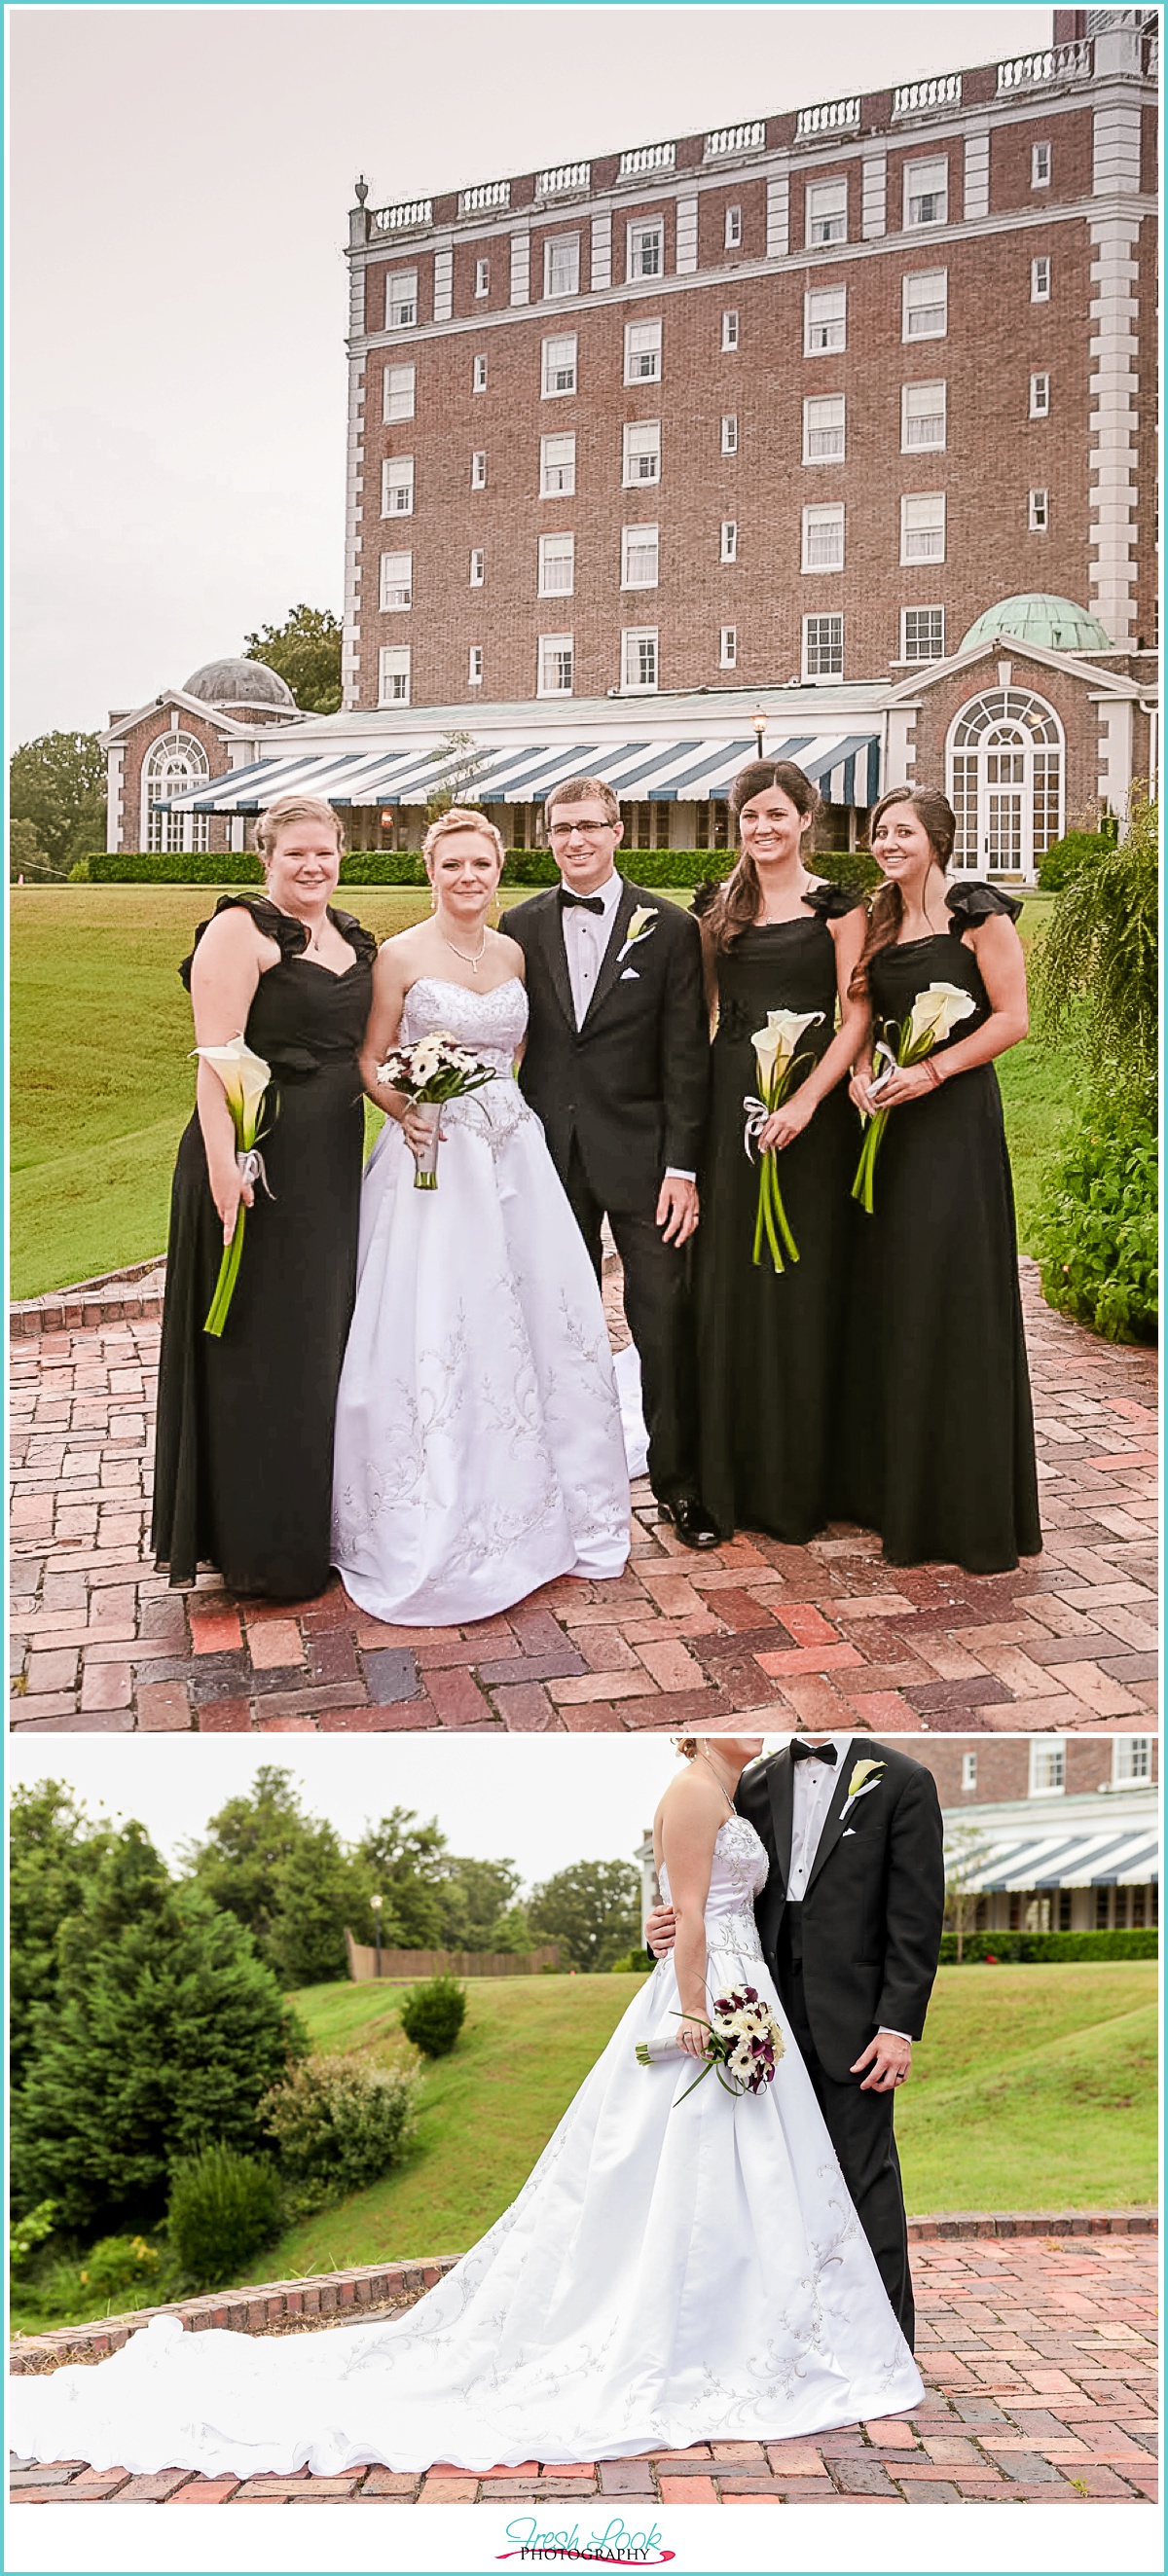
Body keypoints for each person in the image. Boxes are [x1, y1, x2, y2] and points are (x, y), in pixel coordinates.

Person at [8, 1736, 924, 2481]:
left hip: (747, 1994)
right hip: (706, 2005)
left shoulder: (747, 1786)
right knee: (669, 2177)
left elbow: (719, 1903)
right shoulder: (696, 1789)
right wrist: (692, 2006)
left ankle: (752, 2330)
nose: (753, 1725)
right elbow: (685, 1909)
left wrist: (706, 1960)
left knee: (752, 2182)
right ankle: (677, 2336)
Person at [330, 808, 630, 1624]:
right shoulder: (398, 955)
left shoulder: (512, 952)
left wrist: (497, 1104)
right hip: (431, 1156)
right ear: (431, 870)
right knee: (440, 1319)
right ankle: (438, 1497)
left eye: (482, 865)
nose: (468, 878)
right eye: (453, 865)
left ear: (500, 870)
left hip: (512, 1151)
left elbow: (520, 1049)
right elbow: (369, 1054)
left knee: (538, 1310)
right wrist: (406, 1107)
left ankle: (544, 1496)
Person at [648, 1731, 945, 2348]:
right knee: (772, 2181)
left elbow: (917, 1914)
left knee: (864, 2176)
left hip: (856, 2024)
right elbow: (707, 1887)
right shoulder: (751, 1782)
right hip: (760, 2015)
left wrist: (897, 2028)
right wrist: (663, 1927)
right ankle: (793, 2337)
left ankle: (887, 2344)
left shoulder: (903, 1780)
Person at [151, 796, 376, 1599]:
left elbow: (366, 1054)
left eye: (325, 853)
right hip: (255, 1160)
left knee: (319, 1346)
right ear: (265, 860)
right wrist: (223, 1166)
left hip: (330, 1172)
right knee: (259, 1350)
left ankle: (314, 1527)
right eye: (296, 855)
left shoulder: (350, 935)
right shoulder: (238, 930)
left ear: (341, 854)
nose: (312, 867)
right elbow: (215, 1059)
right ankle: (258, 1547)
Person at [507, 778, 716, 1549]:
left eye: (590, 825)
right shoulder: (518, 926)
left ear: (619, 831)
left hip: (646, 1161)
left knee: (662, 1320)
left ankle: (680, 1487)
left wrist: (684, 1166)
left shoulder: (670, 927)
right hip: (546, 1158)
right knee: (554, 1323)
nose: (576, 840)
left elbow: (687, 1056)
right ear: (548, 835)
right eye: (562, 828)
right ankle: (554, 1481)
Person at [837, 786, 1042, 1574]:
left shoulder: (975, 910)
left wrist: (933, 1070)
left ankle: (961, 1501)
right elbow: (860, 1010)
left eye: (903, 832)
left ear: (937, 839)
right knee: (896, 1290)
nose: (888, 844)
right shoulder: (877, 918)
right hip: (888, 1127)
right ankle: (894, 1489)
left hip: (953, 1123)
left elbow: (1012, 1017)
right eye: (880, 833)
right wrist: (862, 1071)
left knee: (950, 1288)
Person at [692, 760, 867, 1542]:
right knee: (732, 1280)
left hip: (811, 1107)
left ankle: (803, 1476)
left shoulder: (839, 907)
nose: (763, 829)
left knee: (802, 1278)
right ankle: (731, 1470)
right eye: (750, 818)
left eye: (776, 815)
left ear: (805, 818)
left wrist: (803, 1101)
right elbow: (703, 1009)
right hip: (732, 1097)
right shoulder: (717, 907)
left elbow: (855, 1018)